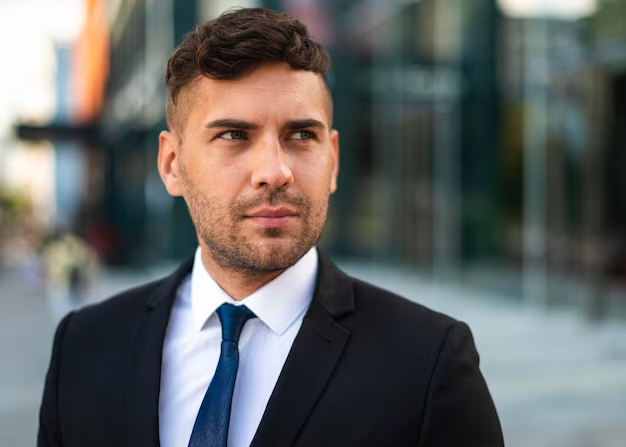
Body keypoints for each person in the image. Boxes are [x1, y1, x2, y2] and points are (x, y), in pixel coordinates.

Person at [38, 8, 503, 447]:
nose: (274, 171)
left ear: (333, 159)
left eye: (302, 135)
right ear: (172, 164)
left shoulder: (428, 362)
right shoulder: (84, 347)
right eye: (234, 135)